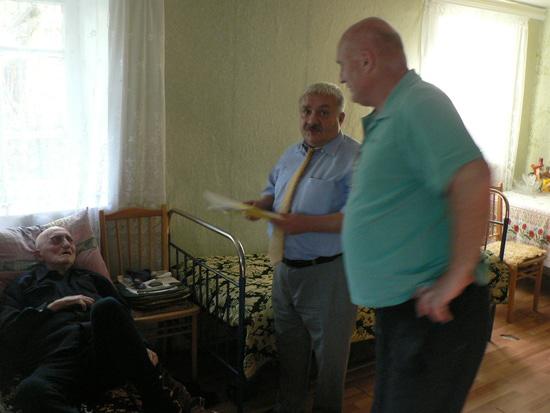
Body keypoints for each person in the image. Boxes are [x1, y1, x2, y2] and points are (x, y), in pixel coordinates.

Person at [336, 17, 492, 413]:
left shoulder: (419, 103)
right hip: (406, 310)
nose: (341, 77)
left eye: (343, 65)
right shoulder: (393, 113)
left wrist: (455, 277)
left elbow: (473, 177)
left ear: (367, 60)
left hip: (435, 313)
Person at [247, 82, 359, 412]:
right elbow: (273, 190)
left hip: (329, 273)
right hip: (285, 269)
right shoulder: (290, 154)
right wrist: (261, 204)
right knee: (290, 351)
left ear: (340, 117)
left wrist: (304, 223)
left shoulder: (355, 158)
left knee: (330, 361)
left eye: (323, 113)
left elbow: (357, 218)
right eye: (306, 111)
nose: (312, 120)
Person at [0, 226, 199, 413]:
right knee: (30, 391)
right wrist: (53, 307)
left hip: (102, 353)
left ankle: (158, 404)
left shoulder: (93, 279)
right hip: (57, 358)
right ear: (38, 255)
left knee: (107, 305)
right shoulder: (22, 285)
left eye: (70, 240)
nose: (67, 244)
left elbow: (122, 315)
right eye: (56, 240)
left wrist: (142, 346)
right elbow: (9, 327)